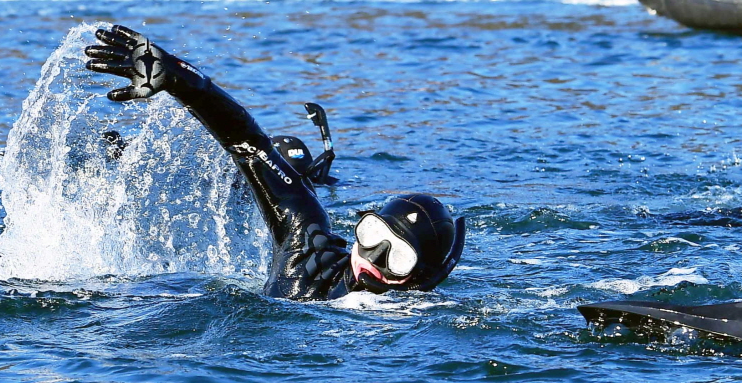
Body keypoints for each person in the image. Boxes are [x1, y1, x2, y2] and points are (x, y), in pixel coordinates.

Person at [82, 24, 463, 300]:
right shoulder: (308, 248)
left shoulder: (421, 315)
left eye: (397, 256)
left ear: (419, 277)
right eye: (373, 235)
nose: (373, 257)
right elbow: (248, 144)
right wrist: (184, 81)